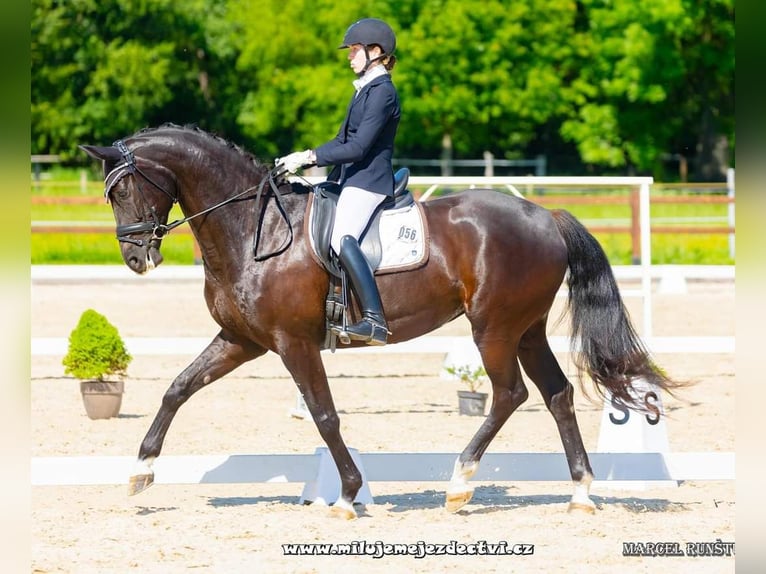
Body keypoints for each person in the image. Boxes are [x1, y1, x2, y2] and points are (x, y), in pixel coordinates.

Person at [276, 18, 401, 346]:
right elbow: (340, 139)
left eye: (355, 50)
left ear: (376, 52)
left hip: (368, 182)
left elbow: (359, 148)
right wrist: (303, 156)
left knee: (341, 239)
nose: (349, 56)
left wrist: (311, 158)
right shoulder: (364, 91)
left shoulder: (383, 92)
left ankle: (374, 320)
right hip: (348, 179)